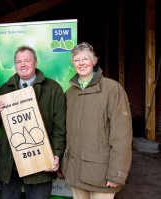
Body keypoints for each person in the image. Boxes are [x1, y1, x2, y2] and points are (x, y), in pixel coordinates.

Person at [59, 42, 133, 199]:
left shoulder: (112, 88)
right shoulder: (70, 93)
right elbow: (66, 132)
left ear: (94, 61)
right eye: (77, 60)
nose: (81, 63)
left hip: (101, 176)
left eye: (85, 58)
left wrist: (117, 174)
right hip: (75, 172)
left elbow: (122, 136)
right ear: (73, 64)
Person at [0, 45, 66, 199]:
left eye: (27, 60)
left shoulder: (54, 89)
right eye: (19, 61)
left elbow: (60, 128)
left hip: (40, 163)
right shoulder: (4, 90)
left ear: (36, 62)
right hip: (10, 164)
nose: (23, 65)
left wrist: (56, 154)